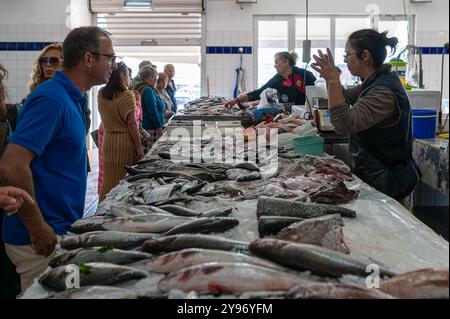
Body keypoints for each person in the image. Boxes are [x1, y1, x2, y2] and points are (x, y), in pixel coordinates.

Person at [0, 26, 117, 293]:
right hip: (38, 238)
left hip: (59, 227)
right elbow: (12, 165)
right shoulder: (52, 99)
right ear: (89, 59)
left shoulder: (72, 96)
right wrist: (37, 226)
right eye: (110, 57)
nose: (113, 64)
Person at [310, 29, 420, 201]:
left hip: (388, 178)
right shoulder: (375, 81)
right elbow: (344, 97)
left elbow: (343, 123)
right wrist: (329, 78)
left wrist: (333, 80)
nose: (345, 61)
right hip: (375, 171)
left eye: (348, 55)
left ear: (365, 56)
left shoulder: (382, 92)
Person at [98, 62, 143, 201]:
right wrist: (139, 147)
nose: (130, 77)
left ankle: (102, 205)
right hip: (124, 141)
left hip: (108, 140)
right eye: (128, 74)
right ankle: (116, 206)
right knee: (122, 178)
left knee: (108, 177)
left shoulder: (101, 93)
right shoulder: (127, 95)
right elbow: (132, 124)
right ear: (122, 74)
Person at [225, 51, 316, 108]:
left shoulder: (305, 75)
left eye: (276, 62)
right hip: (287, 118)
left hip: (306, 116)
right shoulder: (277, 80)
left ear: (286, 62)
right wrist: (235, 101)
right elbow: (258, 93)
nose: (274, 66)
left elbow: (318, 98)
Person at [135, 66, 165, 152]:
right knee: (150, 154)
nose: (155, 79)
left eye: (155, 76)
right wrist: (159, 128)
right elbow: (152, 111)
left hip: (148, 128)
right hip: (151, 129)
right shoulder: (148, 89)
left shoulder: (144, 87)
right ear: (145, 78)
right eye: (152, 77)